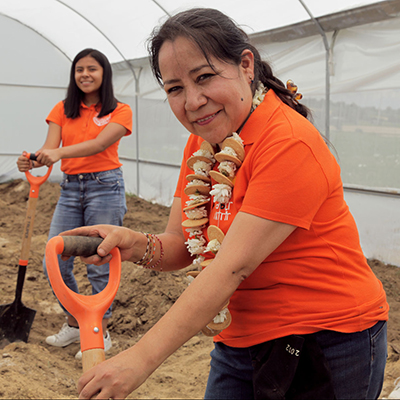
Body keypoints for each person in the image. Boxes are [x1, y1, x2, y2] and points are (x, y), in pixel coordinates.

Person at [62, 8, 388, 400]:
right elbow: (182, 243)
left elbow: (230, 268)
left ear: (246, 65)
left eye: (204, 77)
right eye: (175, 88)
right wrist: (133, 244)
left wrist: (139, 359)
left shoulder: (288, 142)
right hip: (239, 340)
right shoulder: (201, 144)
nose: (194, 101)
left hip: (325, 339)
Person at [16, 48, 132, 360]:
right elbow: (49, 149)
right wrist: (31, 160)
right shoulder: (61, 110)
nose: (84, 75)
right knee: (54, 259)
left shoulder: (120, 111)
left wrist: (58, 155)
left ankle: (100, 331)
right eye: (79, 69)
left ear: (104, 74)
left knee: (99, 262)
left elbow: (99, 144)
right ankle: (74, 322)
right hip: (70, 190)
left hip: (105, 187)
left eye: (91, 69)